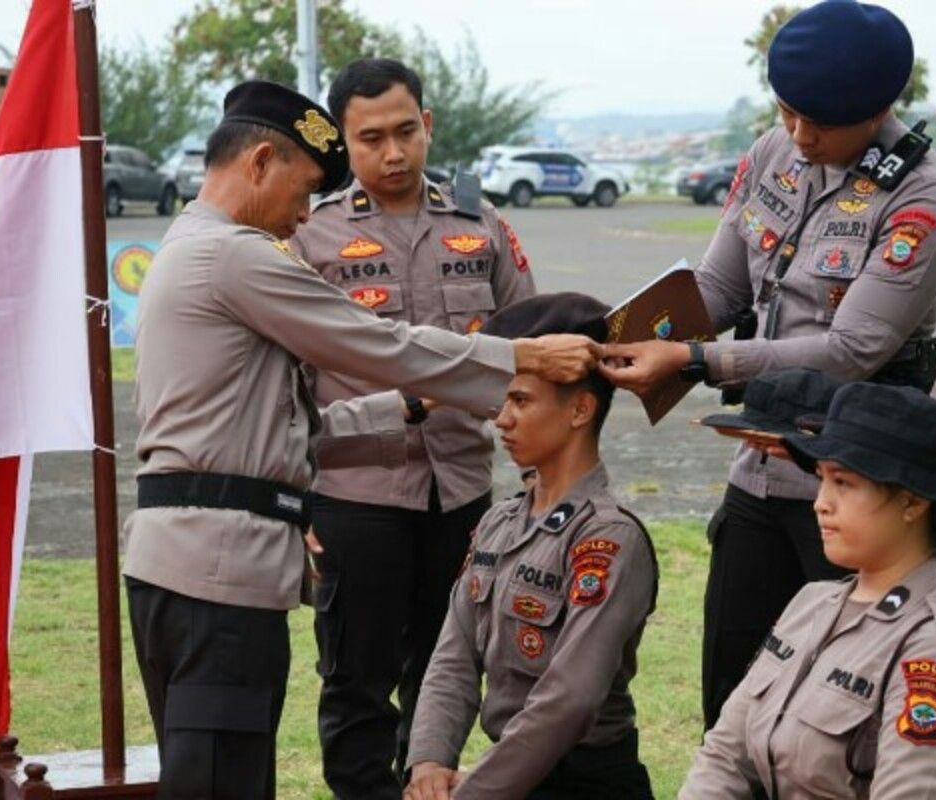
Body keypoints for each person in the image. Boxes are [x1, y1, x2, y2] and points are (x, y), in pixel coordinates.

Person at [121, 81, 597, 799]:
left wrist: (407, 406)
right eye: (304, 187)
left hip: (203, 565)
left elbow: (292, 428)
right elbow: (373, 341)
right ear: (257, 164)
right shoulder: (234, 257)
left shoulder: (194, 248)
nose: (303, 213)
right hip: (215, 572)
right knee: (227, 780)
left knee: (223, 776)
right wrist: (521, 359)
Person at [599, 0, 936, 728]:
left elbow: (853, 349)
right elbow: (719, 287)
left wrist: (697, 361)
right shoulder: (772, 150)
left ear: (880, 109)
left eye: (819, 124)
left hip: (853, 480)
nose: (798, 137)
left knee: (832, 716)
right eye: (787, 113)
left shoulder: (925, 198)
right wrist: (616, 333)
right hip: (760, 466)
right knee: (730, 696)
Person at [289, 58, 536, 798]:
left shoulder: (482, 225)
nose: (392, 155)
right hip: (355, 493)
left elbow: (530, 346)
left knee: (448, 674)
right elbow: (288, 391)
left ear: (427, 125)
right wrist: (298, 499)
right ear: (343, 144)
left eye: (406, 132)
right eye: (370, 140)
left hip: (462, 492)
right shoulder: (312, 239)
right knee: (356, 681)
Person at [679, 382, 936, 799]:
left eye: (843, 483)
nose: (820, 503)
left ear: (912, 502)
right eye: (821, 479)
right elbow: (724, 755)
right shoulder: (812, 603)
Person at [403, 293, 658, 800]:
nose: (502, 419)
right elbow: (453, 655)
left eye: (521, 401)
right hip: (508, 776)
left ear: (581, 410)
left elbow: (569, 701)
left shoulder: (606, 537)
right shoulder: (500, 521)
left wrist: (475, 790)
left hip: (582, 781)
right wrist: (429, 762)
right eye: (503, 402)